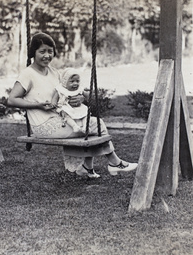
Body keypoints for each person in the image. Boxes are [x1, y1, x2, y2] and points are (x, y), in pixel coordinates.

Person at [8, 32, 138, 178]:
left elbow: (67, 91)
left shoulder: (54, 72)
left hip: (61, 119)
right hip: (44, 125)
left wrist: (80, 98)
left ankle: (87, 167)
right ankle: (114, 163)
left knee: (96, 123)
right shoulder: (28, 74)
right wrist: (38, 105)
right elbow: (12, 100)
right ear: (33, 52)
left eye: (50, 51)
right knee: (92, 127)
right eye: (42, 51)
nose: (47, 55)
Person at [51, 68, 88, 134]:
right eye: (72, 81)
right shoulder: (60, 89)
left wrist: (87, 95)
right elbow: (54, 98)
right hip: (66, 107)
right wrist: (53, 103)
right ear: (65, 82)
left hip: (78, 107)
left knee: (85, 113)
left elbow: (87, 95)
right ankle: (74, 126)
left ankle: (85, 127)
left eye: (77, 81)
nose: (75, 84)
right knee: (65, 114)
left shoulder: (79, 89)